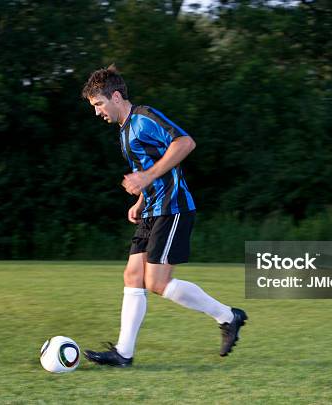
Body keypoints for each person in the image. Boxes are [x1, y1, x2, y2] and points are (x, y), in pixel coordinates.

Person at [81, 65, 247, 367]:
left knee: (157, 283)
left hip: (173, 208)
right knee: (133, 276)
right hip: (153, 209)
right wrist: (142, 199)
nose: (97, 113)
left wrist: (145, 180)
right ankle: (123, 353)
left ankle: (228, 316)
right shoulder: (124, 130)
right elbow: (153, 166)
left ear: (116, 97)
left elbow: (185, 142)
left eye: (99, 104)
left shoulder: (143, 118)